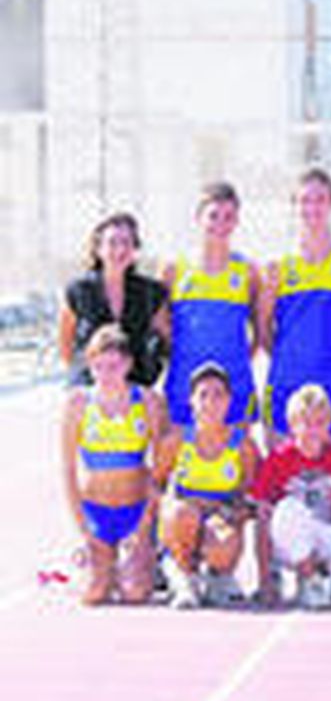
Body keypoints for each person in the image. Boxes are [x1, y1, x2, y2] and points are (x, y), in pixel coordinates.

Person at [60, 325, 167, 605]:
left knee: (135, 593)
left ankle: (141, 561)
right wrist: (84, 531)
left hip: (136, 511)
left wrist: (144, 528)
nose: (106, 375)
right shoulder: (78, 403)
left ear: (129, 364)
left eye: (114, 366)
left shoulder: (148, 401)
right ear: (89, 365)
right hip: (96, 512)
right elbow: (68, 471)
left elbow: (160, 468)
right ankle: (93, 564)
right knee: (94, 594)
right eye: (98, 367)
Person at [251, 384, 331, 608]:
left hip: (322, 536)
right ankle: (309, 579)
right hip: (286, 542)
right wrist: (264, 580)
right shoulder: (277, 459)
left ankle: (327, 583)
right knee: (288, 509)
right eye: (305, 423)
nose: (312, 430)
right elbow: (262, 520)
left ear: (329, 426)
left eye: (319, 423)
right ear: (293, 426)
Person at [258, 168, 331, 449]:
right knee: (281, 481)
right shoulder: (278, 266)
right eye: (305, 200)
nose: (312, 207)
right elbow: (263, 327)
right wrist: (289, 358)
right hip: (286, 382)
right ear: (294, 205)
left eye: (320, 199)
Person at [153, 363, 261, 609]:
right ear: (191, 401)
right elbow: (153, 484)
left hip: (219, 518)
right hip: (184, 517)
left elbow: (253, 493)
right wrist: (166, 506)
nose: (210, 402)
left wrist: (233, 515)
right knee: (183, 515)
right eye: (203, 395)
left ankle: (217, 575)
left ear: (229, 401)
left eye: (218, 395)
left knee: (224, 543)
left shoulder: (243, 445)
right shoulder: (176, 441)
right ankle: (183, 576)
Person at [162, 182, 260, 428]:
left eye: (228, 217)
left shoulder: (248, 271)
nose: (220, 224)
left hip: (234, 382)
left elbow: (260, 327)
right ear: (198, 218)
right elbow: (161, 325)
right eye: (213, 215)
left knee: (237, 458)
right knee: (181, 459)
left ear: (237, 221)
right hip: (184, 382)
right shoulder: (175, 269)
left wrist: (242, 357)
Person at [58, 212, 170, 388]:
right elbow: (66, 348)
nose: (120, 250)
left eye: (127, 243)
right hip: (90, 391)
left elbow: (167, 340)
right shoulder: (78, 290)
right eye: (112, 243)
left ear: (135, 248)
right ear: (98, 248)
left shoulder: (152, 292)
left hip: (137, 390)